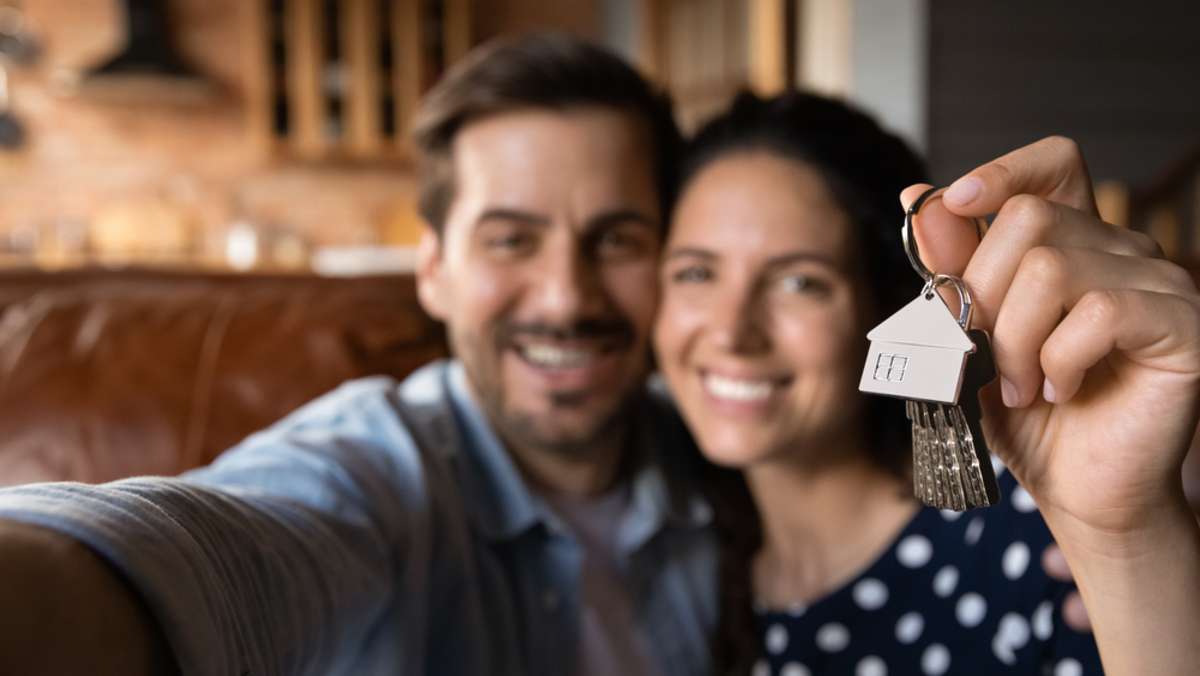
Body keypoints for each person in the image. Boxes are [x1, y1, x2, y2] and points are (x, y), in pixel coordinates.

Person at [0, 34, 1111, 676]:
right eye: (510, 239)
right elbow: (208, 545)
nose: (568, 297)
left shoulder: (710, 477)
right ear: (429, 269)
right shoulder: (377, 469)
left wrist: (1129, 535)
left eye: (619, 240)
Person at [653, 90, 1200, 675]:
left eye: (799, 283)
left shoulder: (1041, 544)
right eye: (696, 272)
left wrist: (1127, 537)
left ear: (881, 303)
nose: (733, 331)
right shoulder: (659, 559)